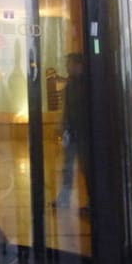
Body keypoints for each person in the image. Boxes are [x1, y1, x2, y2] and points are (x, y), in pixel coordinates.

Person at [55, 53, 92, 213]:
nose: (67, 67)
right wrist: (63, 125)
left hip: (85, 133)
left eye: (69, 64)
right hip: (72, 131)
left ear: (79, 65)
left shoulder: (88, 84)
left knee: (87, 168)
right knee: (68, 166)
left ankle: (92, 200)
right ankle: (64, 198)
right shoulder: (70, 84)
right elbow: (67, 108)